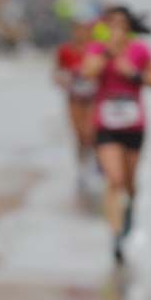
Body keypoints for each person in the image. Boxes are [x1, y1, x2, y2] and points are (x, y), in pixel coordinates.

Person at [81, 5, 151, 263]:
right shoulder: (97, 48)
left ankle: (129, 212)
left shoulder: (139, 50)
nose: (117, 28)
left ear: (128, 27)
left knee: (129, 182)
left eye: (121, 24)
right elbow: (87, 72)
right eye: (112, 24)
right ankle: (116, 235)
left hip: (133, 125)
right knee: (114, 179)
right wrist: (107, 52)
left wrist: (134, 73)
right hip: (105, 124)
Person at [53, 16, 97, 189]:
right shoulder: (65, 51)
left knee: (90, 132)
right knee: (79, 134)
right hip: (75, 98)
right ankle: (82, 166)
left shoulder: (95, 50)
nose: (81, 34)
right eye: (78, 30)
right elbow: (56, 74)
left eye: (85, 30)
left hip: (93, 98)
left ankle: (94, 162)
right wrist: (65, 79)